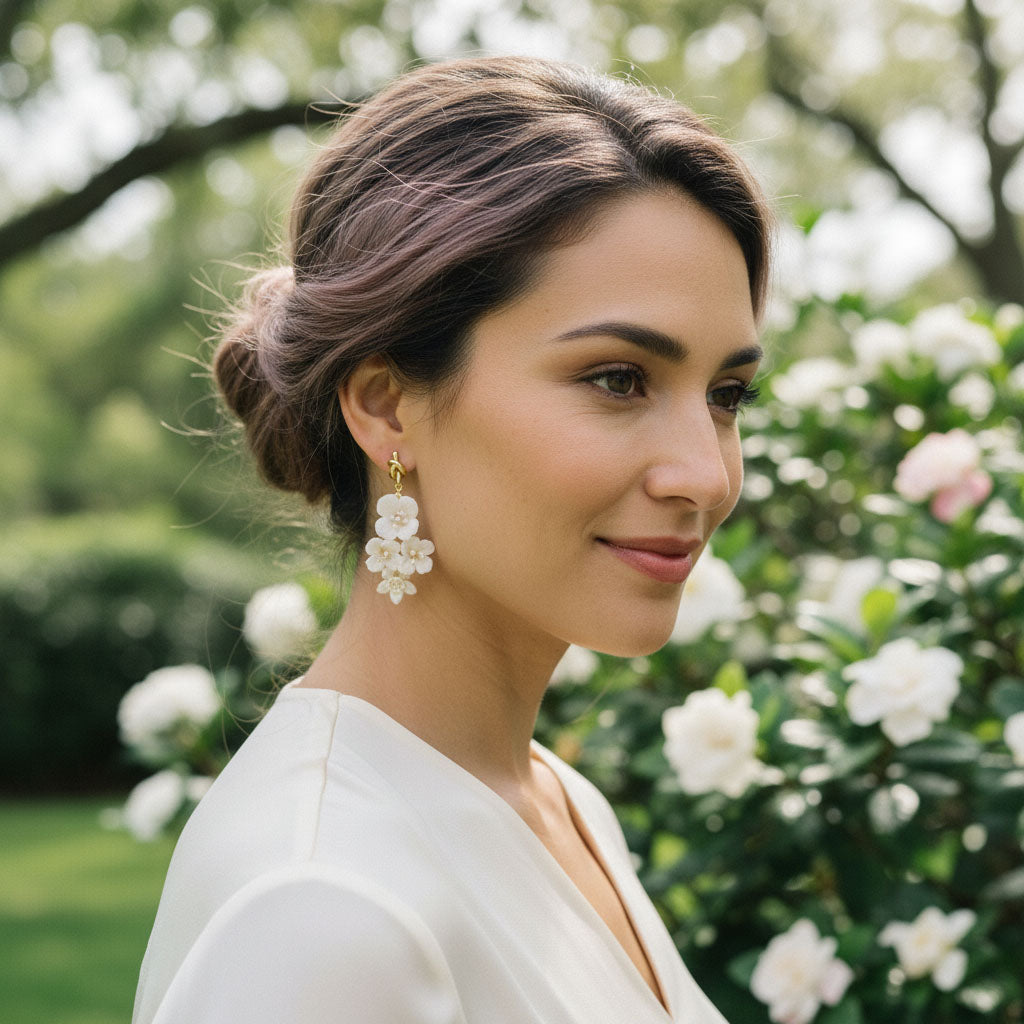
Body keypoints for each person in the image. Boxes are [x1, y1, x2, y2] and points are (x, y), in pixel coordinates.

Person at [131, 55, 771, 1024]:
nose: (706, 473)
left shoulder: (551, 798)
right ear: (387, 406)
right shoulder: (324, 907)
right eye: (617, 378)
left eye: (725, 395)